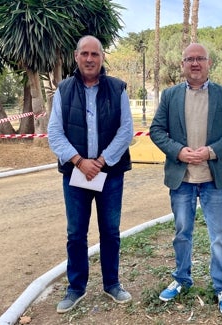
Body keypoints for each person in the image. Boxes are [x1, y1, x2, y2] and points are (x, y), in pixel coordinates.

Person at [149, 43, 222, 316]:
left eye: (199, 59)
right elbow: (157, 130)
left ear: (209, 63)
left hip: (215, 178)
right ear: (182, 64)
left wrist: (211, 151)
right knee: (182, 234)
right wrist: (178, 152)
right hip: (182, 179)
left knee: (219, 237)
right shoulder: (169, 96)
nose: (194, 63)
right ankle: (181, 279)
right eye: (189, 59)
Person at [48, 35, 134, 314]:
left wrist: (100, 161)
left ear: (102, 57)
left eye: (94, 54)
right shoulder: (63, 89)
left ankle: (112, 283)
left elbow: (126, 131)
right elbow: (55, 133)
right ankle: (76, 288)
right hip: (75, 174)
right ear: (76, 57)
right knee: (76, 233)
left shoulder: (118, 88)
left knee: (110, 231)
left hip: (110, 174)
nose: (89, 59)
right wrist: (79, 161)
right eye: (84, 53)